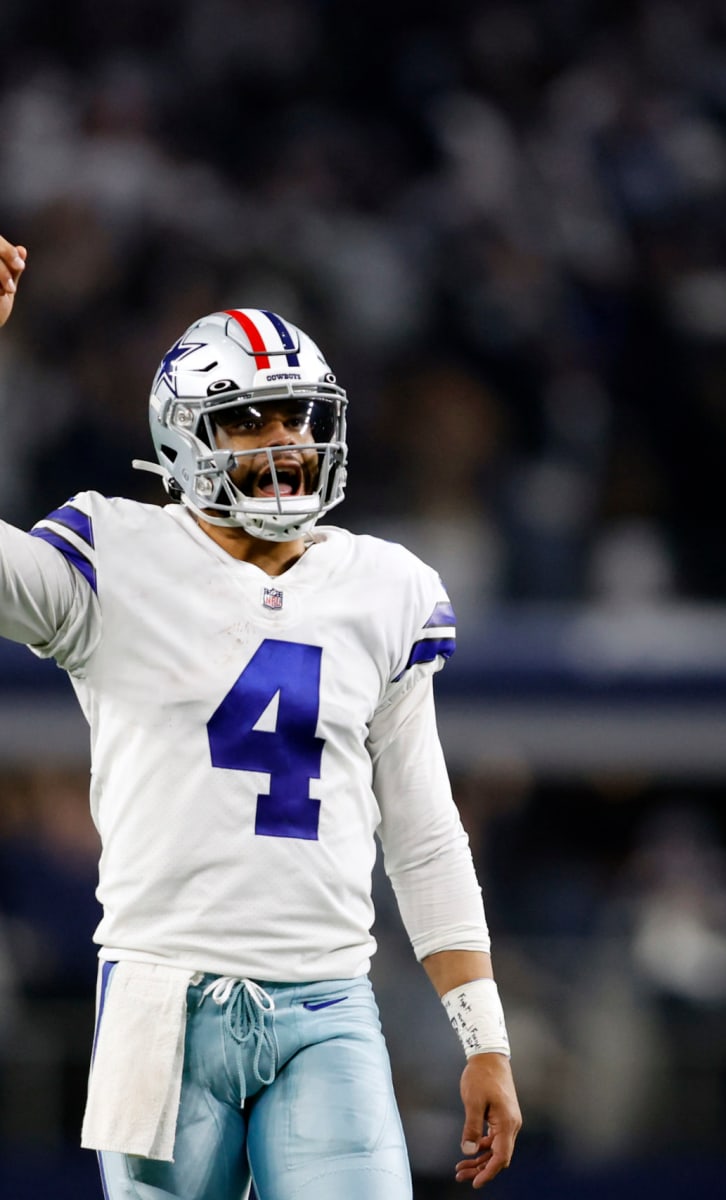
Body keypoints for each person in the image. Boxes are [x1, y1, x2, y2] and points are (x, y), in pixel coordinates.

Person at [0, 236, 521, 1199]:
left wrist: (483, 1036)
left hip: (327, 997)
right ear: (181, 438)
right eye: (246, 420)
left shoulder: (382, 585)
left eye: (298, 417)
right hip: (160, 1000)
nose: (283, 443)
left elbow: (422, 831)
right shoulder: (112, 554)